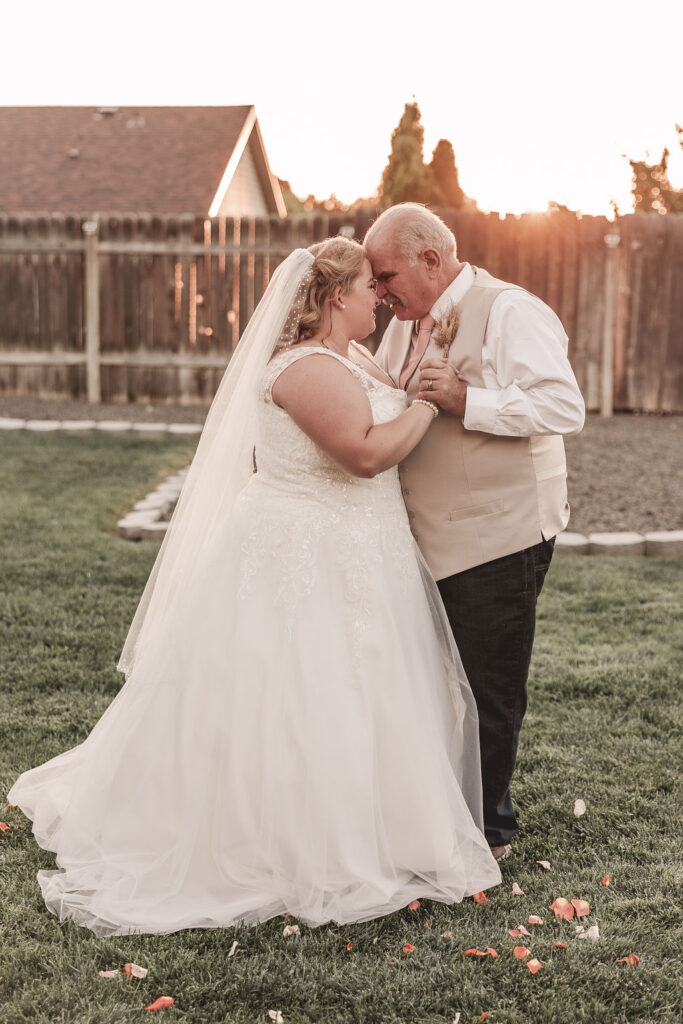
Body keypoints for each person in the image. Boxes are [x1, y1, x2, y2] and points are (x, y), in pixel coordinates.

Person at [8, 238, 500, 937]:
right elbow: (362, 454)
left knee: (359, 691)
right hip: (305, 547)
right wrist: (424, 406)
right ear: (335, 297)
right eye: (368, 287)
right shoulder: (302, 369)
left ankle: (372, 824)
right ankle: (279, 839)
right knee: (293, 693)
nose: (378, 297)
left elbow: (372, 403)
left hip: (357, 545)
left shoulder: (349, 357)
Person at [365, 205, 585, 859]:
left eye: (385, 276)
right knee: (434, 680)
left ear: (430, 259)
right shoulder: (401, 326)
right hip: (424, 532)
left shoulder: (511, 310)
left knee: (486, 684)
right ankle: (437, 811)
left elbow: (562, 404)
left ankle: (488, 833)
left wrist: (469, 400)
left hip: (498, 532)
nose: (379, 292)